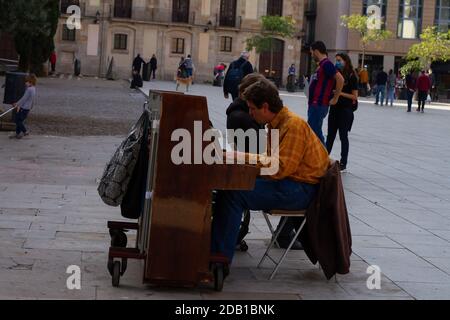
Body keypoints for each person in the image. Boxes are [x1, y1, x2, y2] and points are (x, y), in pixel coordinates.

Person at [211, 78, 330, 267]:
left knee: (235, 193)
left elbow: (280, 168)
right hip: (290, 183)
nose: (250, 113)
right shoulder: (276, 124)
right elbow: (270, 162)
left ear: (265, 106)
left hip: (302, 190)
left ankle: (218, 261)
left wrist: (239, 158)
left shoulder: (293, 125)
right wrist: (238, 161)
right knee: (231, 187)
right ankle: (215, 251)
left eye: (252, 108)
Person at [326, 53, 358, 173]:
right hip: (334, 108)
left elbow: (354, 96)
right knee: (330, 136)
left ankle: (343, 162)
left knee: (343, 136)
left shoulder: (351, 76)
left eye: (339, 60)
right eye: (336, 60)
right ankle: (324, 158)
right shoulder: (336, 74)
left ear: (345, 61)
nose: (337, 62)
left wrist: (339, 93)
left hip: (345, 110)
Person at [308, 41, 344, 145]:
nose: (311, 55)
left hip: (319, 104)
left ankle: (324, 157)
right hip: (315, 104)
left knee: (314, 132)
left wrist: (336, 98)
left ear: (316, 51)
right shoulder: (322, 65)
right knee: (313, 131)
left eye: (311, 52)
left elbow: (340, 79)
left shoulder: (327, 64)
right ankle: (321, 156)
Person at [9, 74, 37, 139]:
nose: (25, 83)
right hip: (27, 108)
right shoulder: (33, 89)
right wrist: (31, 105)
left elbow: (24, 99)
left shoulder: (29, 89)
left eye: (26, 82)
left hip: (24, 108)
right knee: (19, 120)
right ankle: (17, 133)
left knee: (17, 120)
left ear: (31, 82)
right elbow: (32, 99)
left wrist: (16, 104)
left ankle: (25, 131)